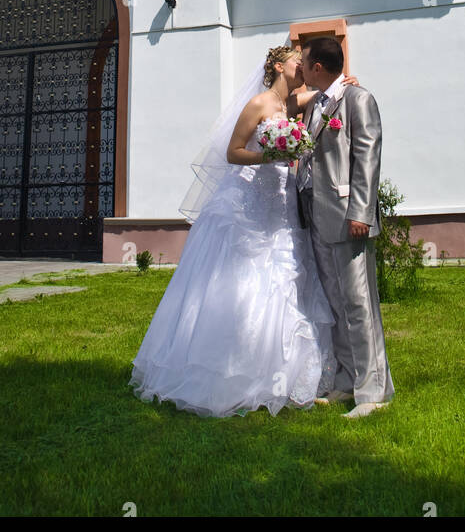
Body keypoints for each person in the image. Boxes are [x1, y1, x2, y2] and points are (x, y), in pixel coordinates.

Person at [128, 45, 346, 418]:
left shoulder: (292, 104)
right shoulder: (259, 104)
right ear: (279, 66)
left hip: (281, 203)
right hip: (250, 200)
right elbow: (233, 152)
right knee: (244, 277)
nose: (303, 69)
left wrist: (344, 83)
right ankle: (230, 373)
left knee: (286, 277)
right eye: (298, 63)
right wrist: (271, 156)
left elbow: (325, 92)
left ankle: (286, 374)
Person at [296, 37, 395, 418]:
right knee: (335, 303)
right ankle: (345, 381)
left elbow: (367, 157)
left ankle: (373, 393)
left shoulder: (358, 100)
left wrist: (361, 212)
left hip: (348, 217)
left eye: (305, 63)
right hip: (317, 217)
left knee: (359, 304)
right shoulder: (316, 105)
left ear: (318, 67)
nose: (302, 69)